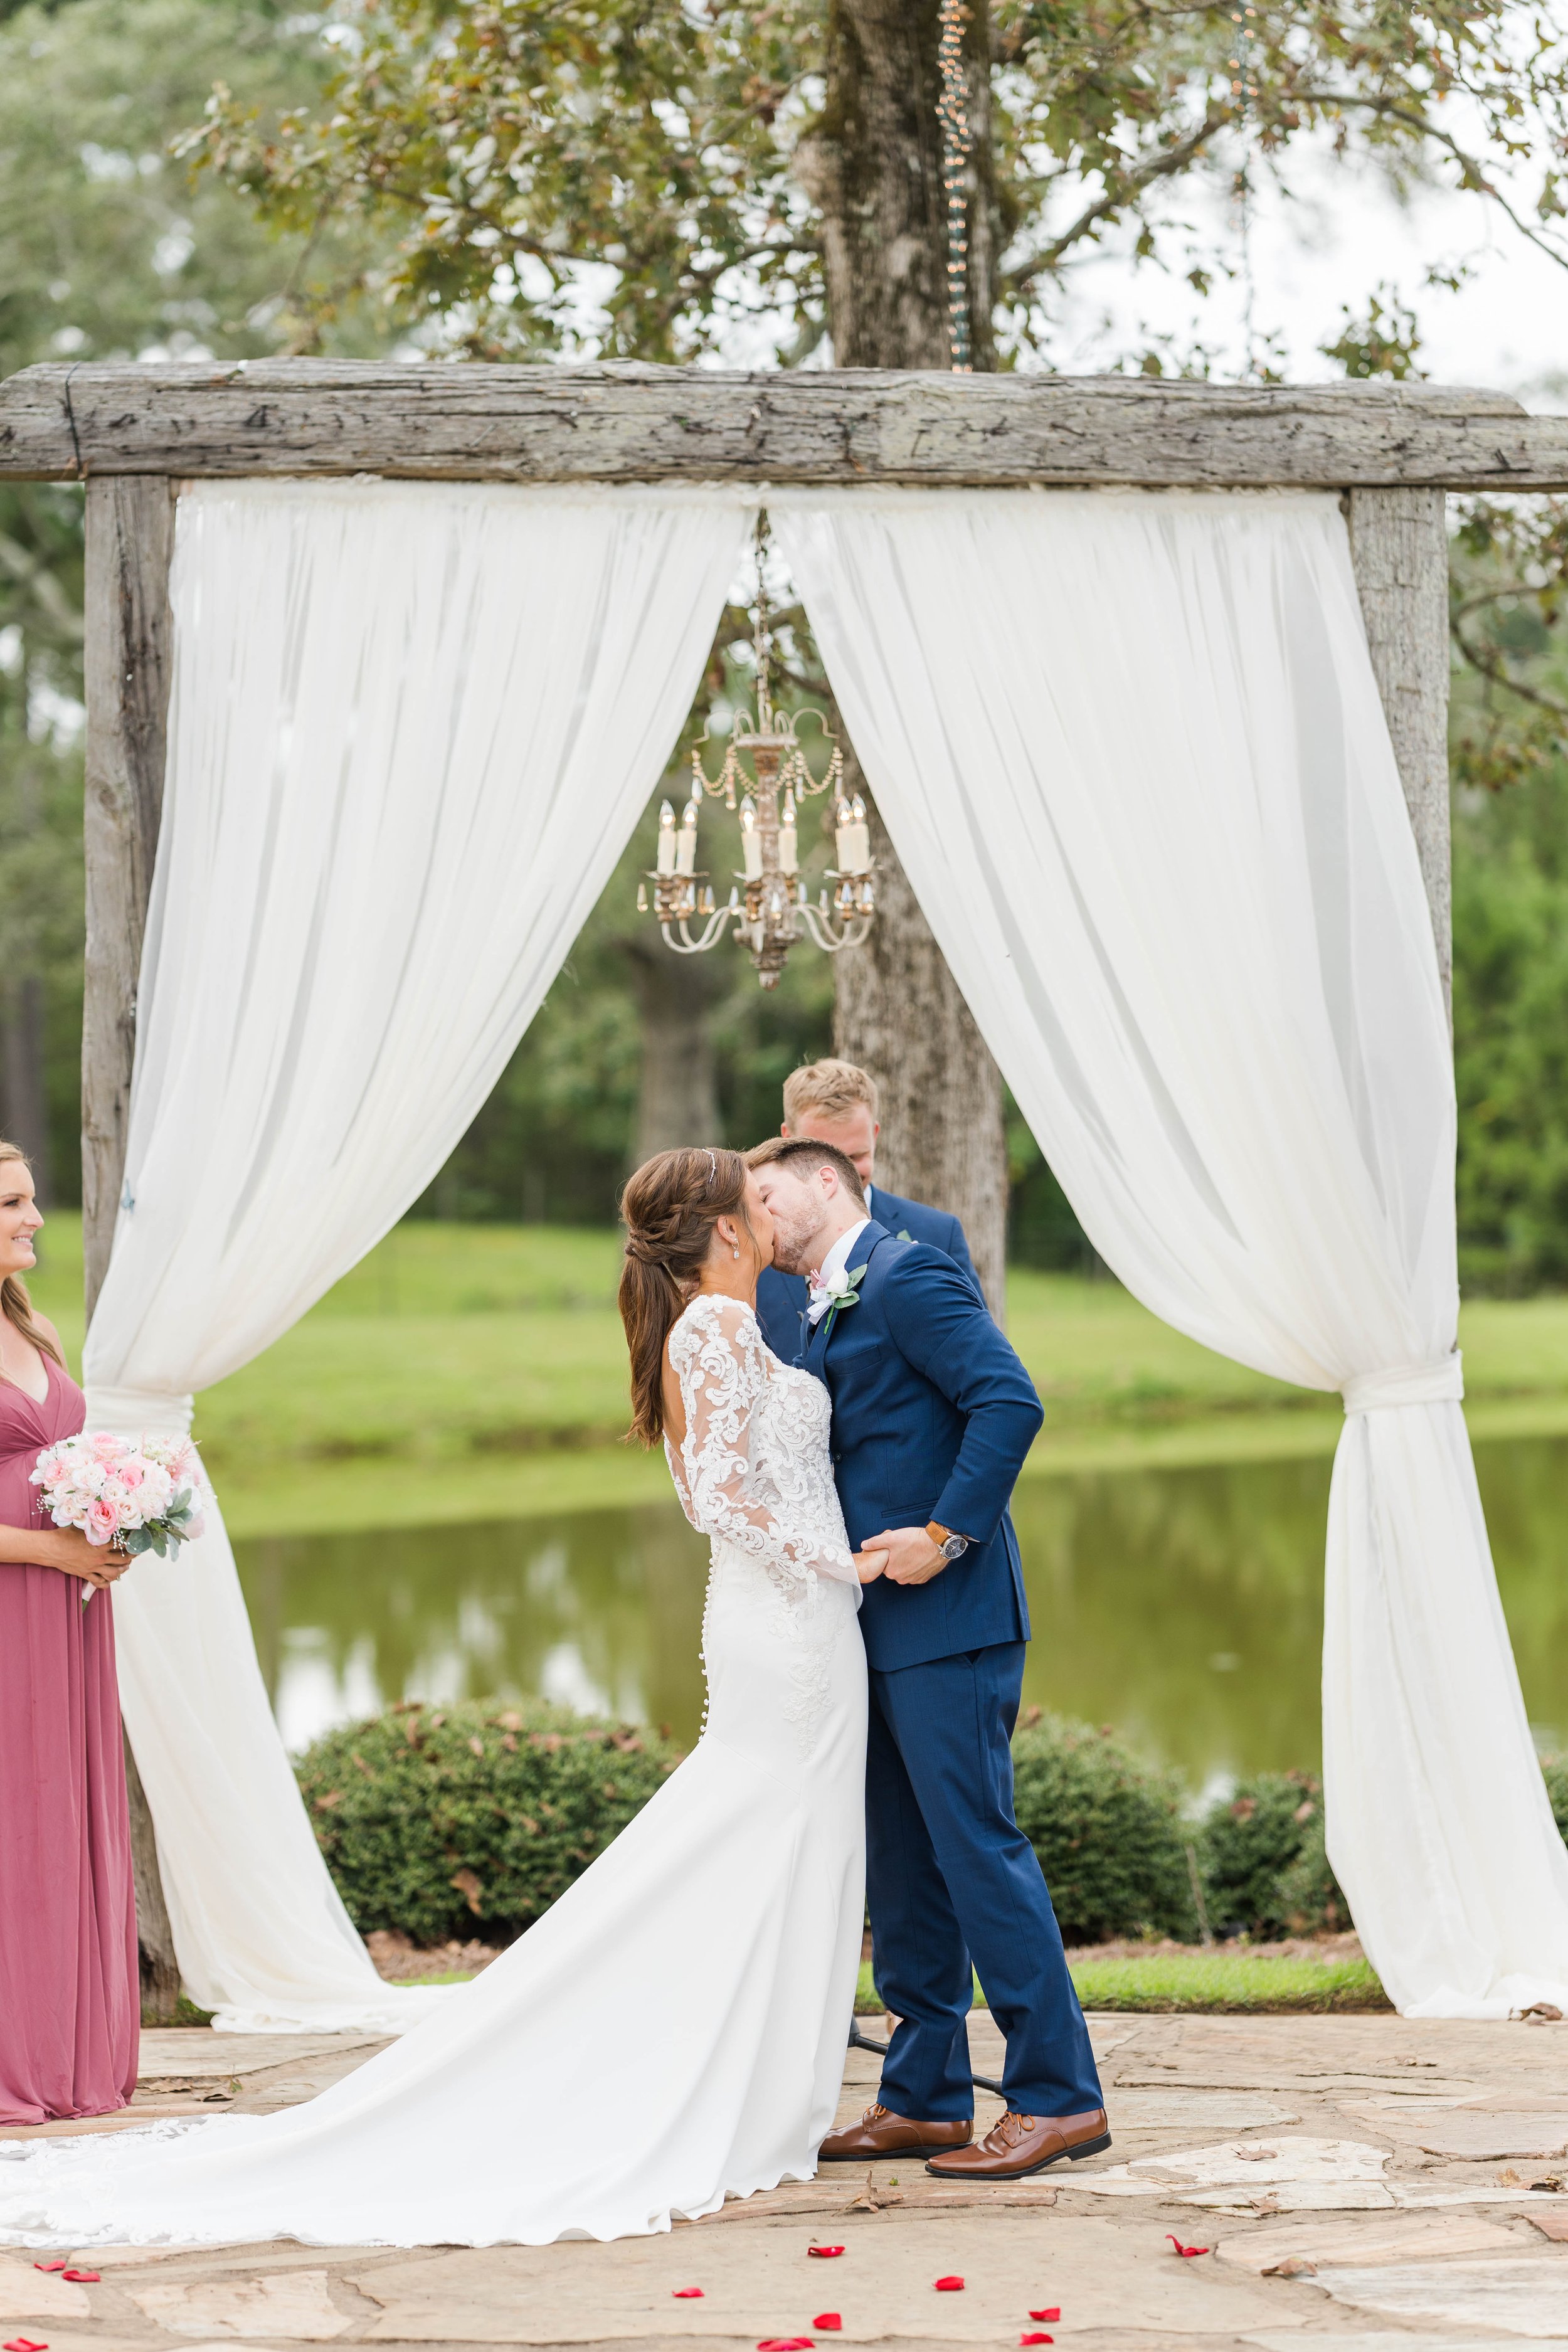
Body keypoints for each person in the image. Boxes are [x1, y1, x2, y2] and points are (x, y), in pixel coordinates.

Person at [0, 1147, 885, 2250]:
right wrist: (848, 1561)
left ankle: (765, 2079)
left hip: (803, 1618)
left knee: (783, 1843)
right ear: (723, 1231)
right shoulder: (709, 1329)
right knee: (752, 1837)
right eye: (753, 1200)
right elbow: (716, 1498)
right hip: (788, 1620)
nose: (770, 1208)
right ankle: (716, 2077)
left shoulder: (739, 1322)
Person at [749, 1135, 1108, 2180]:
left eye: (767, 1196)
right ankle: (923, 2096)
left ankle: (1058, 2096)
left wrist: (945, 1536)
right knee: (907, 1872)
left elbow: (1010, 1400)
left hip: (951, 1621)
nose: (757, 1220)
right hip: (870, 1632)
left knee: (978, 1853)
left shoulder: (908, 1274)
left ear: (826, 1181)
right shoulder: (818, 1299)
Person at [0, 1140, 139, 2126]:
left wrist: (115, 1510)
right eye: (13, 1203)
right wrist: (50, 1553)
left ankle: (69, 2043)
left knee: (62, 1801)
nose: (35, 1218)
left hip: (72, 1608)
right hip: (18, 1594)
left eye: (33, 1199)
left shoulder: (37, 1327)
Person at [754, 1059, 978, 1364]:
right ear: (786, 1140)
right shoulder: (755, 1244)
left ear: (875, 1134)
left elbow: (974, 1361)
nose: (838, 1174)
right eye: (822, 1158)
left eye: (856, 1156)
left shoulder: (938, 1234)